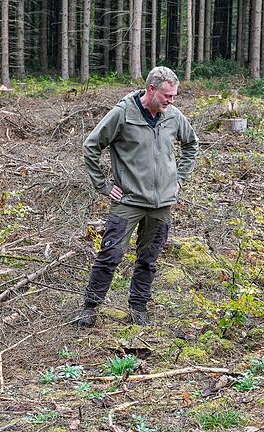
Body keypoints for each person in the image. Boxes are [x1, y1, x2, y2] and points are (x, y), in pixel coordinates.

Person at [76, 66, 199, 327]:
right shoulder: (123, 114)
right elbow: (91, 146)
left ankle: (138, 309)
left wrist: (179, 180)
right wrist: (105, 186)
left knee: (148, 260)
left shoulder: (173, 116)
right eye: (167, 95)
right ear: (151, 90)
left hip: (162, 205)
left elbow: (192, 145)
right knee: (110, 255)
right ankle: (89, 308)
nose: (171, 100)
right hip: (128, 202)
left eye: (174, 96)